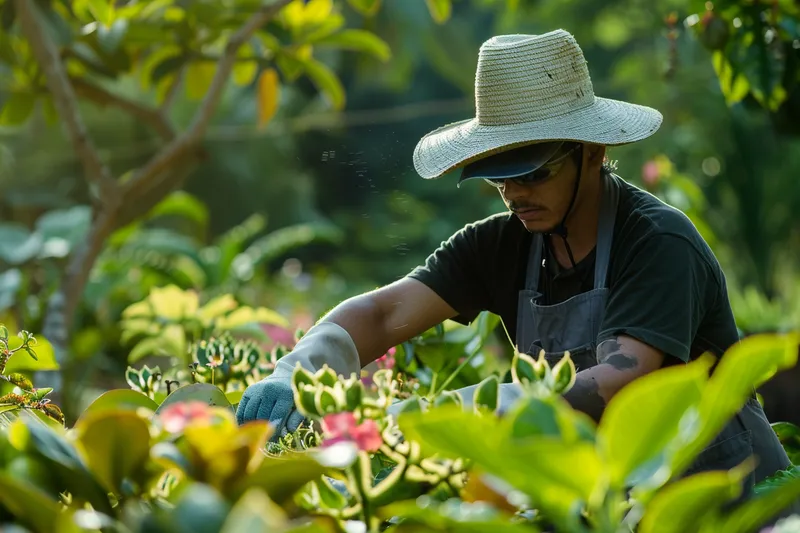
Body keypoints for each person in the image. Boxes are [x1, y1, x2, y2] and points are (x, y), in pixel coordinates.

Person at [237, 29, 794, 515]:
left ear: (593, 151)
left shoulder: (657, 242)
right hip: (616, 498)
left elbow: (624, 379)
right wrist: (301, 365)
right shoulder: (502, 245)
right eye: (500, 177)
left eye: (532, 173)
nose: (514, 195)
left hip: (729, 497)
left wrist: (461, 415)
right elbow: (383, 312)